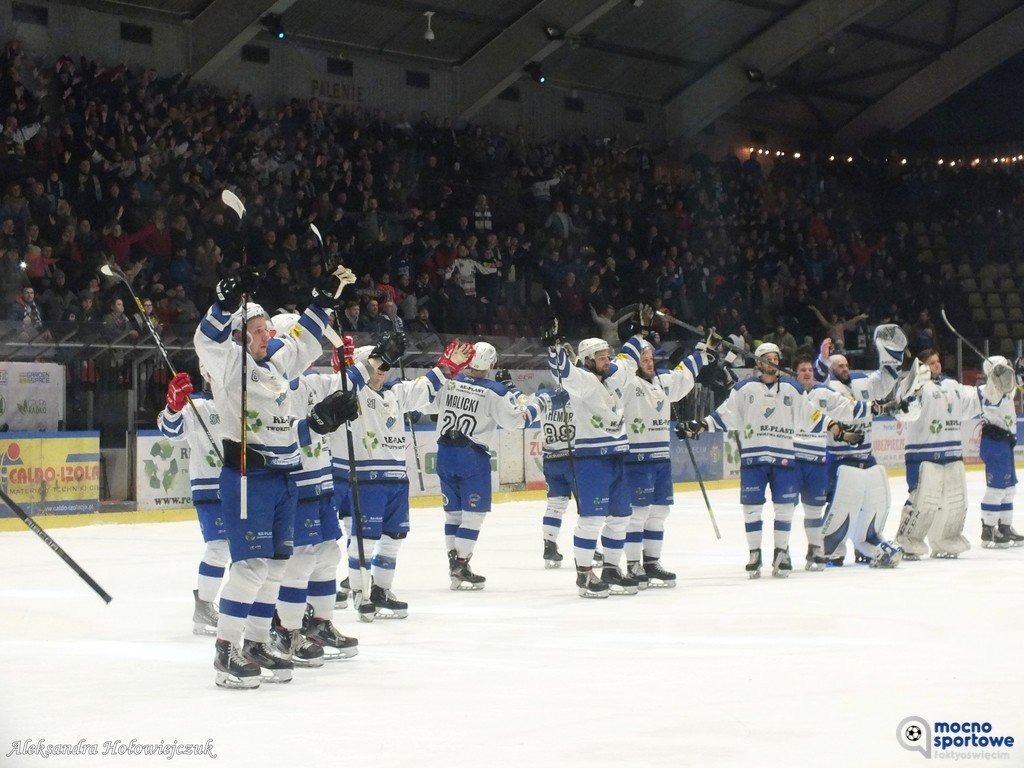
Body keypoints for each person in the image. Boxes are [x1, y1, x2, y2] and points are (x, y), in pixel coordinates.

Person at [194, 264, 359, 689]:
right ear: (239, 336)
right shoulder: (230, 364)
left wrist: (322, 300)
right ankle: (225, 650)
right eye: (259, 330)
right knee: (249, 567)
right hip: (249, 477)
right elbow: (206, 339)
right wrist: (225, 304)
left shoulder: (277, 366)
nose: (268, 335)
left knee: (275, 567)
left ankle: (254, 641)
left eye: (269, 329)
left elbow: (304, 339)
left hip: (286, 480)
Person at [335, 336, 474, 615]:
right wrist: (343, 366)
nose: (383, 369)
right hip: (367, 480)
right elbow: (343, 382)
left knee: (394, 537)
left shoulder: (396, 393)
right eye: (377, 363)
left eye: (387, 364)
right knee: (366, 540)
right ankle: (361, 594)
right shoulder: (353, 395)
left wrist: (448, 365)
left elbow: (427, 385)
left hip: (397, 480)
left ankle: (381, 590)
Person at [680, 342, 844, 578]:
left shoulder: (792, 388)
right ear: (757, 362)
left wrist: (834, 426)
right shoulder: (744, 389)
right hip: (753, 458)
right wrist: (702, 425)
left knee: (785, 508)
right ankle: (755, 553)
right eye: (768, 358)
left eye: (776, 358)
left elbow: (811, 414)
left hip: (783, 457)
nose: (774, 362)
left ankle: (781, 553)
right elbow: (725, 414)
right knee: (751, 509)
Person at [432, 341, 563, 589]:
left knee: (453, 514)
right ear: (490, 363)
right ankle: (460, 564)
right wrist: (542, 403)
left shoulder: (450, 381)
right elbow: (517, 421)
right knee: (473, 516)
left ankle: (455, 564)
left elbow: (428, 404)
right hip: (472, 456)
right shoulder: (495, 390)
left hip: (444, 452)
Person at [546, 320, 646, 597]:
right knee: (591, 519)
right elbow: (562, 372)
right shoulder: (582, 380)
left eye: (608, 356)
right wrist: (553, 348)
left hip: (617, 456)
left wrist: (637, 333)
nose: (607, 360)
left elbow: (630, 360)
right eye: (601, 357)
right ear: (588, 360)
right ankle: (585, 575)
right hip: (591, 460)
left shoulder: (615, 375)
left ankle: (612, 570)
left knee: (621, 516)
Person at [813, 326, 908, 568]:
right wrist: (823, 359)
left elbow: (885, 381)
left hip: (867, 456)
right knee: (839, 505)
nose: (845, 369)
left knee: (874, 503)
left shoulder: (862, 383)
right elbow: (816, 384)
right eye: (839, 366)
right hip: (840, 459)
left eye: (846, 365)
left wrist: (892, 357)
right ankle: (830, 549)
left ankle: (867, 543)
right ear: (832, 371)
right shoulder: (828, 389)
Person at [620, 337, 710, 588]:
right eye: (644, 360)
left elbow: (682, 376)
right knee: (637, 514)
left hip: (660, 457)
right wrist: (639, 336)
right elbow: (624, 361)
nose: (649, 363)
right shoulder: (627, 382)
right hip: (637, 458)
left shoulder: (661, 381)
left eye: (651, 359)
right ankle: (633, 564)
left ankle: (652, 562)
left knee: (660, 512)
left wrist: (702, 354)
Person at [157, 368, 228, 635]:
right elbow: (171, 431)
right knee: (219, 546)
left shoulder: (242, 401)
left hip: (243, 486)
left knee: (248, 551)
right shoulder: (196, 405)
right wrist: (173, 408)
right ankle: (205, 606)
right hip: (209, 487)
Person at [894, 349, 984, 559]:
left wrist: (994, 389)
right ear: (922, 366)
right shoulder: (914, 386)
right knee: (922, 500)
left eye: (938, 361)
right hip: (923, 453)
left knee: (955, 501)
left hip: (952, 452)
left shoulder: (951, 385)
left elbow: (972, 400)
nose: (937, 365)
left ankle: (946, 538)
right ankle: (908, 540)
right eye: (931, 362)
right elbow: (903, 411)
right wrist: (914, 386)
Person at [974, 356, 1023, 548]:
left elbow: (1016, 385)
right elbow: (991, 399)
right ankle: (988, 528)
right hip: (995, 442)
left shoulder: (1006, 388)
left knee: (1009, 488)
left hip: (1005, 443)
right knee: (996, 489)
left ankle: (1005, 527)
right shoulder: (987, 391)